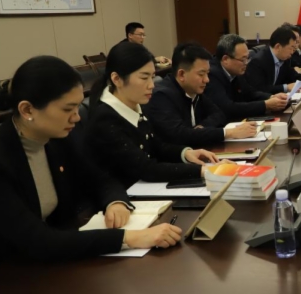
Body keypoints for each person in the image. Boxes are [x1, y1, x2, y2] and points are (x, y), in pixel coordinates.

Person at [0, 56, 182, 262]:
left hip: (58, 257)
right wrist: (129, 238)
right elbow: (37, 240)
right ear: (27, 110)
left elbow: (100, 178)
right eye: (67, 109)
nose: (77, 117)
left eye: (77, 107)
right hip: (12, 269)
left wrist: (115, 202)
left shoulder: (57, 138)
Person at [85, 42, 219, 189]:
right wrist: (201, 170)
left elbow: (156, 146)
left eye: (152, 77)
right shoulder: (105, 118)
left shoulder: (135, 105)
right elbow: (146, 169)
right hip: (125, 195)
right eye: (144, 78)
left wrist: (185, 153)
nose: (152, 85)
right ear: (117, 79)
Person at [143, 43, 258, 147]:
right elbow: (179, 135)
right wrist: (228, 133)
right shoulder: (162, 96)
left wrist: (202, 128)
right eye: (201, 74)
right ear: (182, 74)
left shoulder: (194, 89)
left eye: (207, 73)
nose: (207, 80)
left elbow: (218, 114)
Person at [207, 34, 287, 120]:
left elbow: (249, 93)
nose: (246, 63)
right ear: (225, 59)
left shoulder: (236, 70)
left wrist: (271, 97)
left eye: (247, 58)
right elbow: (228, 108)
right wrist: (265, 105)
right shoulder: (211, 74)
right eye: (243, 59)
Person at [245, 26, 301, 95]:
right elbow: (259, 89)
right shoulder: (258, 62)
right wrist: (286, 87)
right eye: (291, 48)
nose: (293, 52)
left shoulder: (283, 58)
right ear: (278, 47)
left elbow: (295, 76)